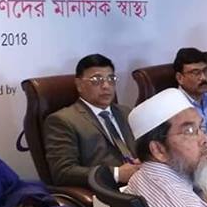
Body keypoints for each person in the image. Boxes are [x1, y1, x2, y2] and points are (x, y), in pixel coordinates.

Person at [44, 53, 139, 186]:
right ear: (79, 85)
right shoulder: (62, 120)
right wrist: (117, 174)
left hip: (143, 181)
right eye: (96, 80)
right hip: (108, 190)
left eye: (111, 79)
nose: (106, 85)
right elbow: (63, 172)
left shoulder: (125, 112)